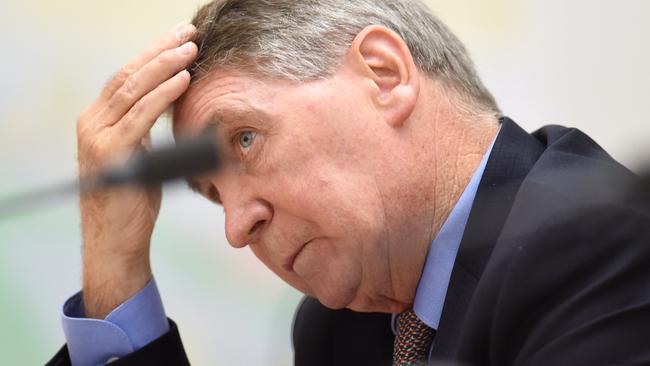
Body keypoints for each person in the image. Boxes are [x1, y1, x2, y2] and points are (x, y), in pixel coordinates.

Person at [47, 0, 650, 365]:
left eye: (246, 140)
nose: (237, 227)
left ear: (384, 75)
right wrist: (115, 272)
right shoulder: (338, 331)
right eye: (213, 196)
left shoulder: (595, 246)